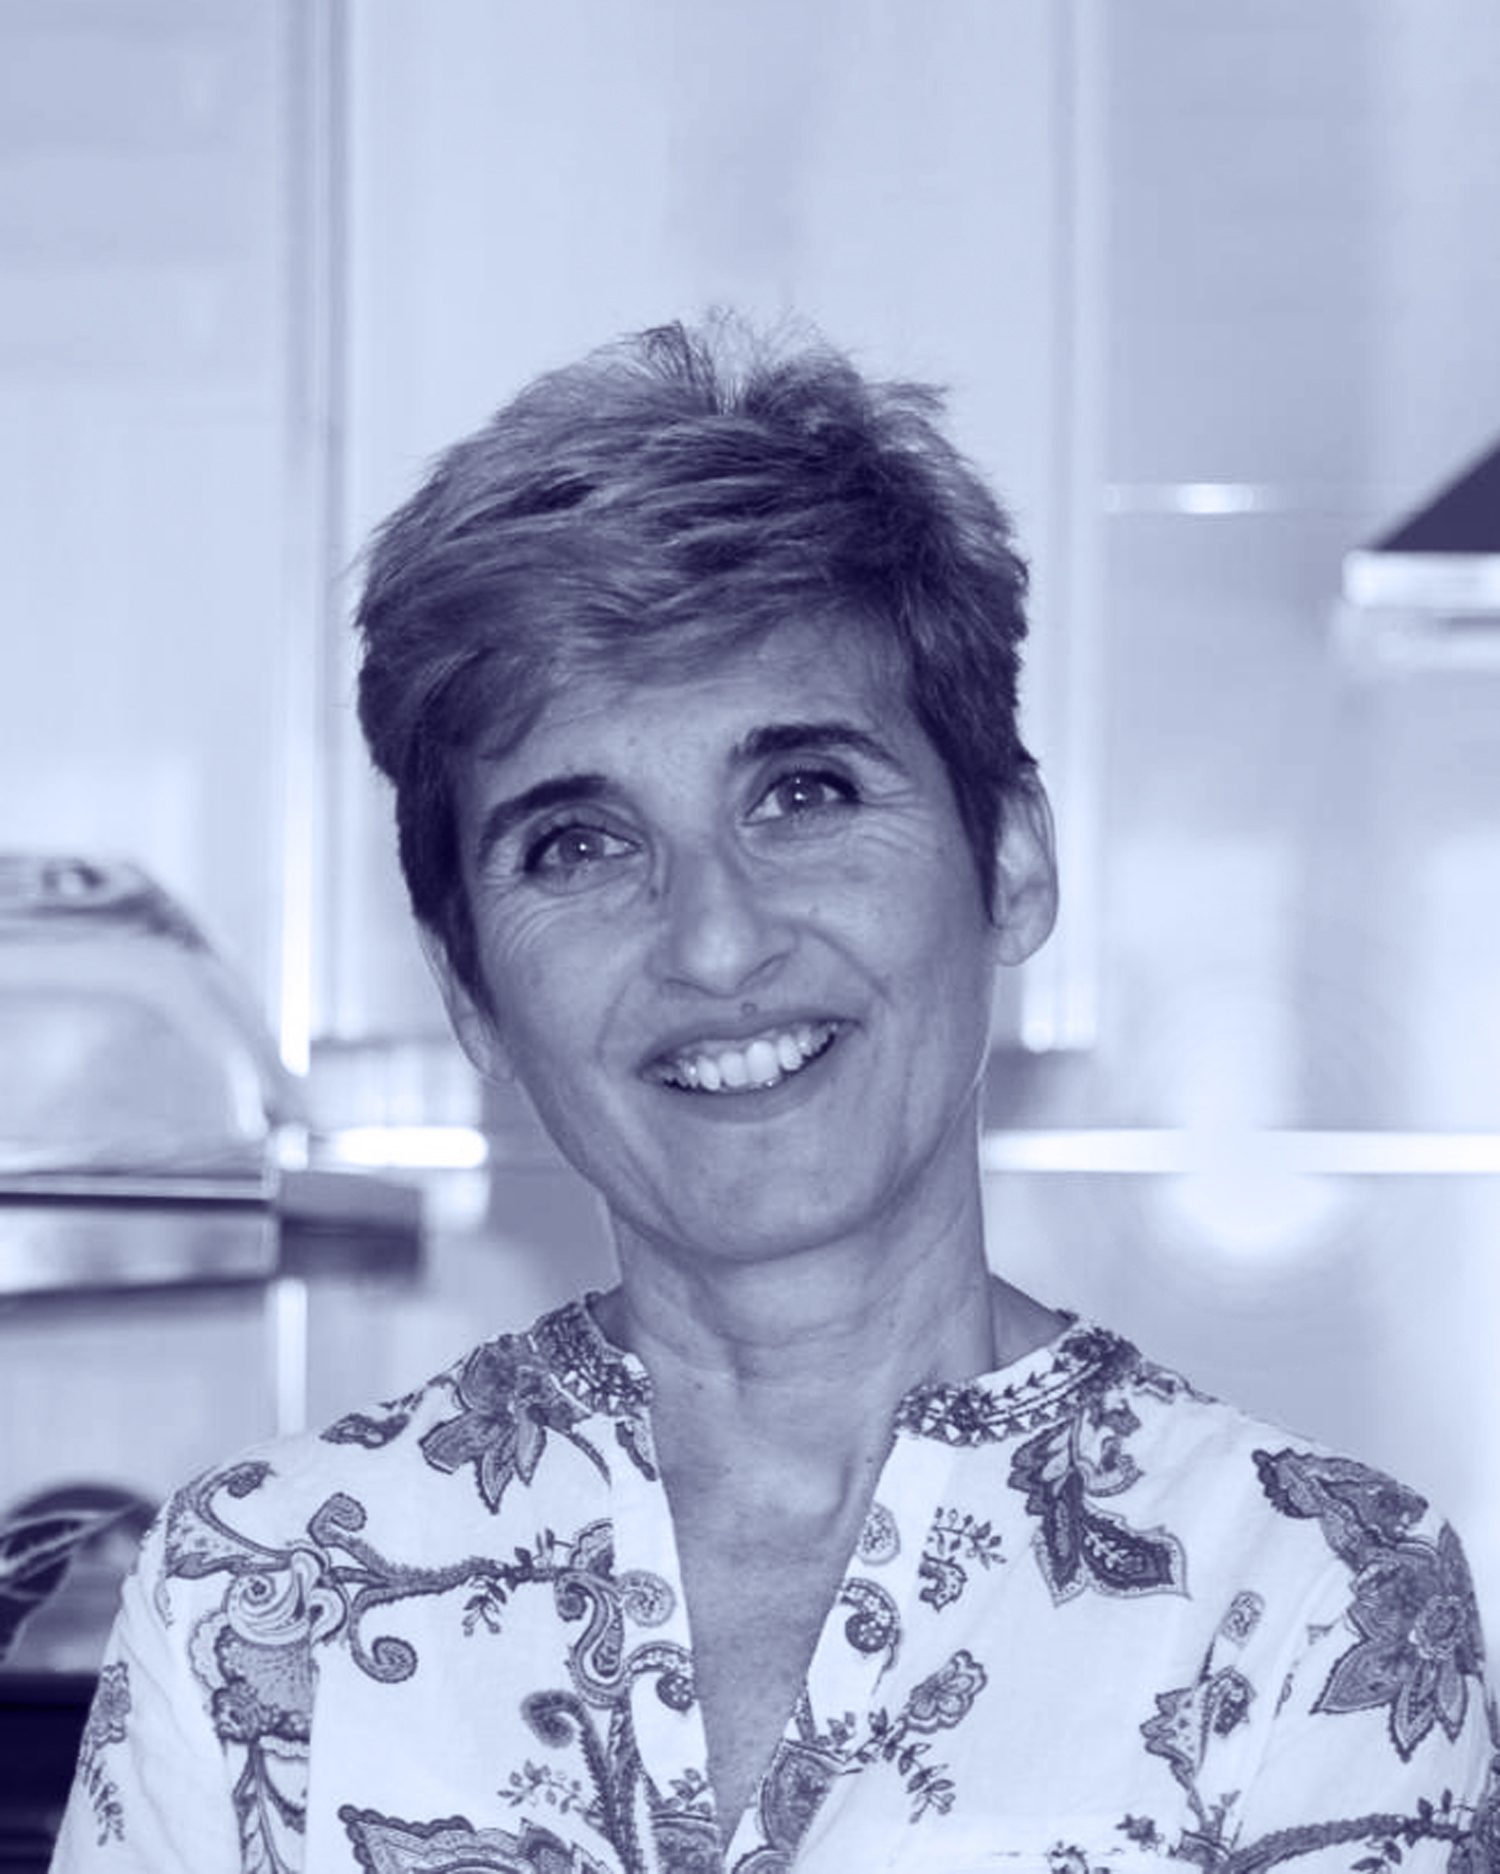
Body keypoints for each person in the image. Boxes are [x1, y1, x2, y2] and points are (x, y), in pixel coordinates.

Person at [50, 316, 1498, 1874]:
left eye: (804, 792)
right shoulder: (251, 1599)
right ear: (470, 988)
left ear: (1012, 861)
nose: (716, 939)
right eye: (577, 843)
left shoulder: (1312, 1604)